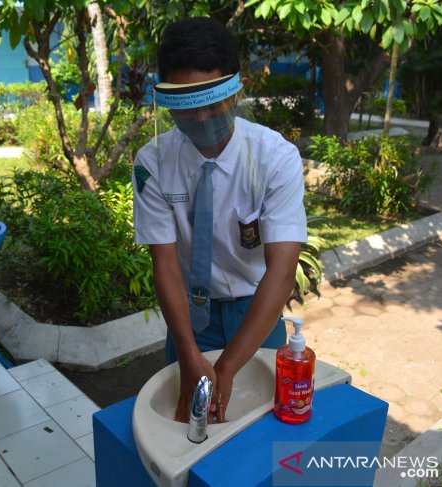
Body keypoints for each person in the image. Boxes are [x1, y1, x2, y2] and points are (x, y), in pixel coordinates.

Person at [131, 17, 307, 424]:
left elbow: (281, 272)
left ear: (236, 89)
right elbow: (166, 264)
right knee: (189, 424)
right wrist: (189, 352)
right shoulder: (152, 164)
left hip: (257, 311)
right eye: (186, 106)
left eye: (213, 101)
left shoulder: (274, 158)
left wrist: (226, 368)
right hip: (191, 314)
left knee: (261, 423)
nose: (201, 117)